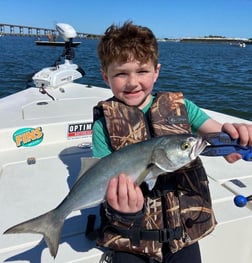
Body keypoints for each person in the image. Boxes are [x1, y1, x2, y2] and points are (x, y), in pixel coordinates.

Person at [91, 21, 252, 263]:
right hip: (129, 233)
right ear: (106, 76)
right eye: (121, 73)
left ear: (156, 71)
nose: (133, 82)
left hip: (183, 232)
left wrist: (236, 138)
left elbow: (219, 137)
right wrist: (122, 209)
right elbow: (100, 177)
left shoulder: (184, 108)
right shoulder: (103, 125)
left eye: (142, 71)